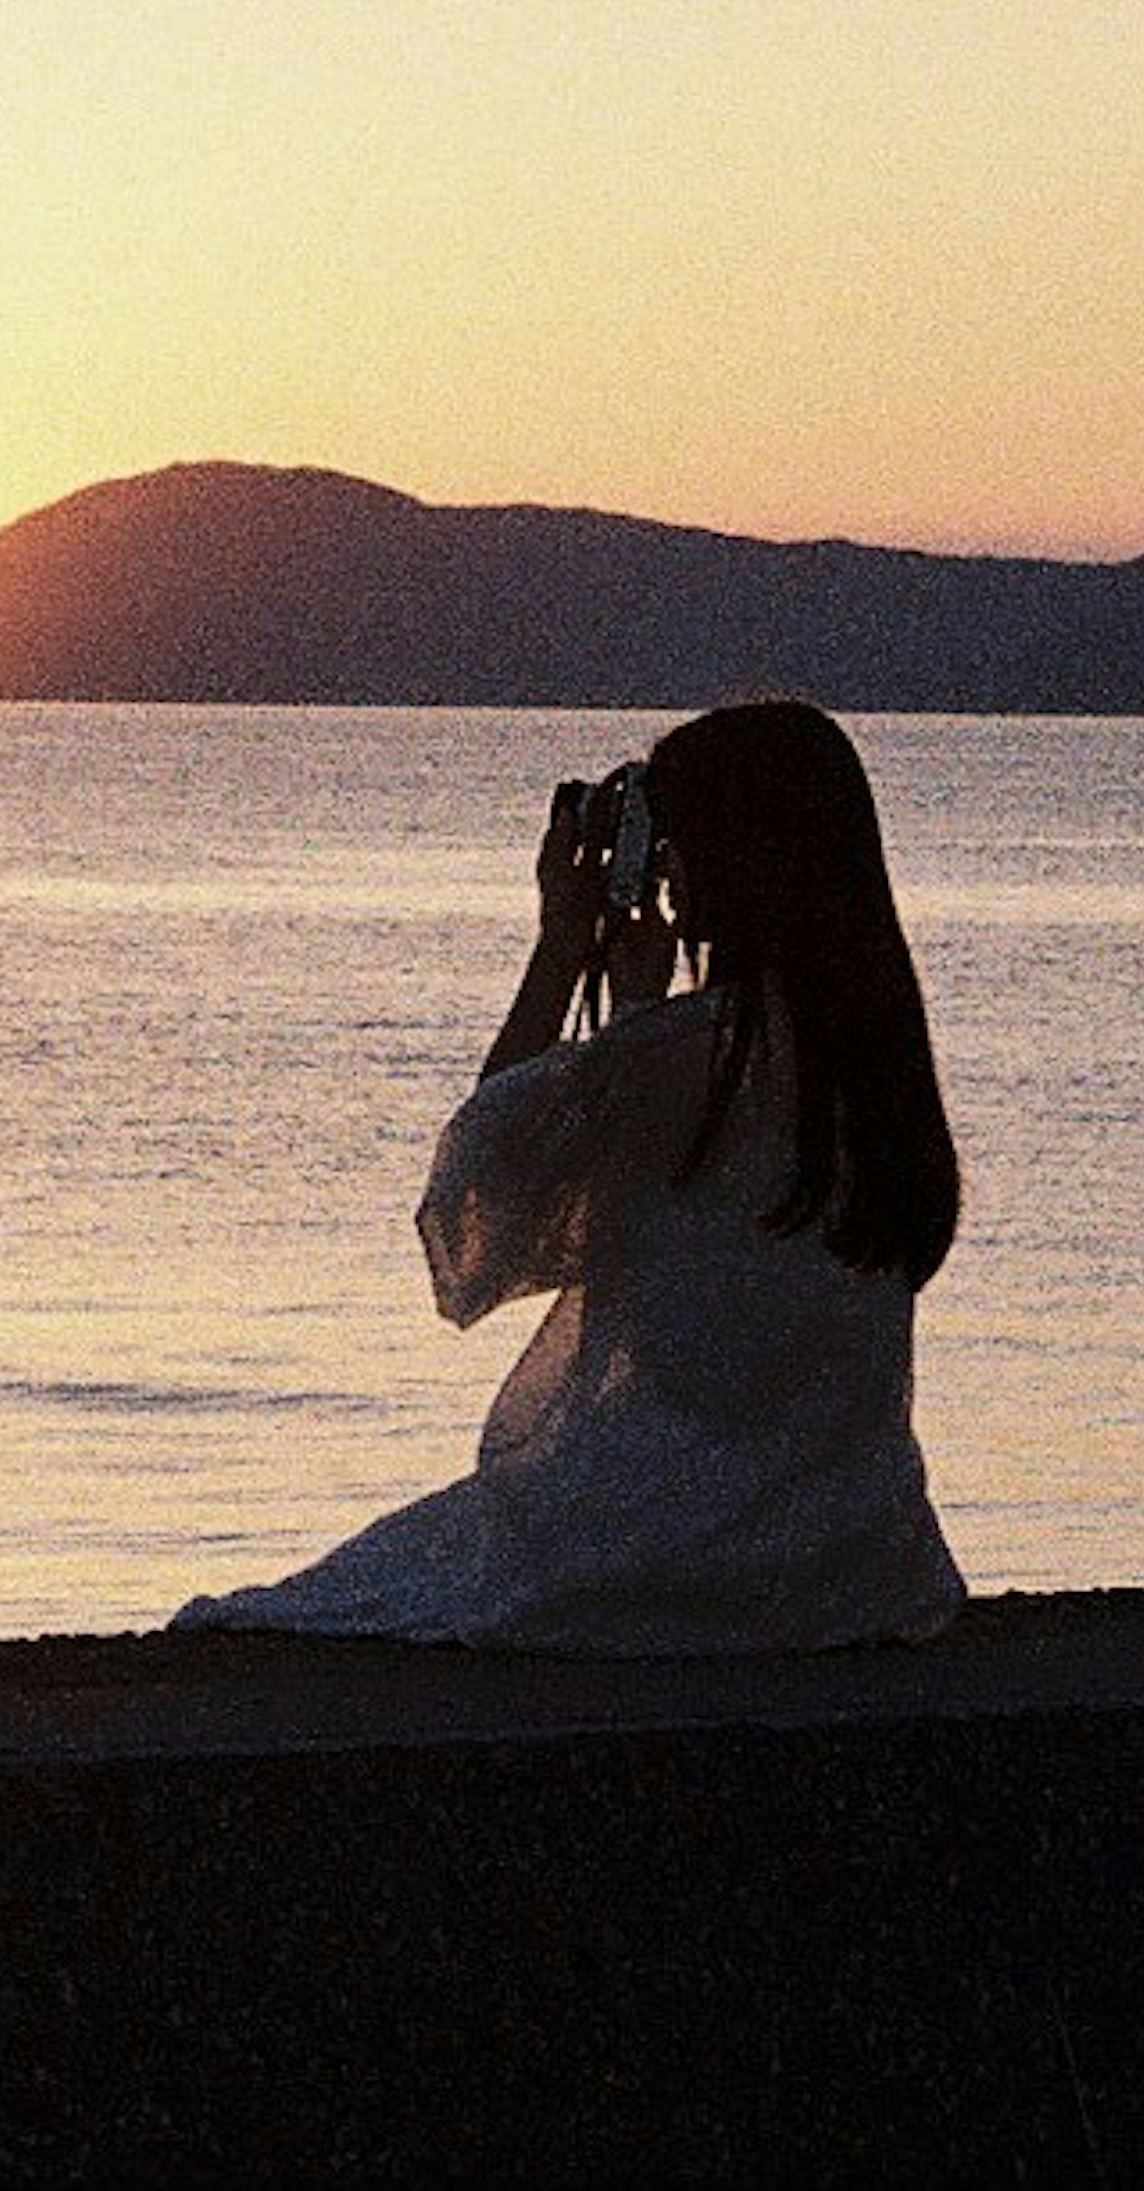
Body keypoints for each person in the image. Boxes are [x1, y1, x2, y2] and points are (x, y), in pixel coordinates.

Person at [176, 697, 966, 1651]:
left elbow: (475, 1206)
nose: (667, 867)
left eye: (676, 840)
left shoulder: (673, 1063)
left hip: (669, 1545)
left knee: (286, 1615)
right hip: (858, 1560)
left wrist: (560, 951)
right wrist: (633, 1019)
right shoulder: (877, 1069)